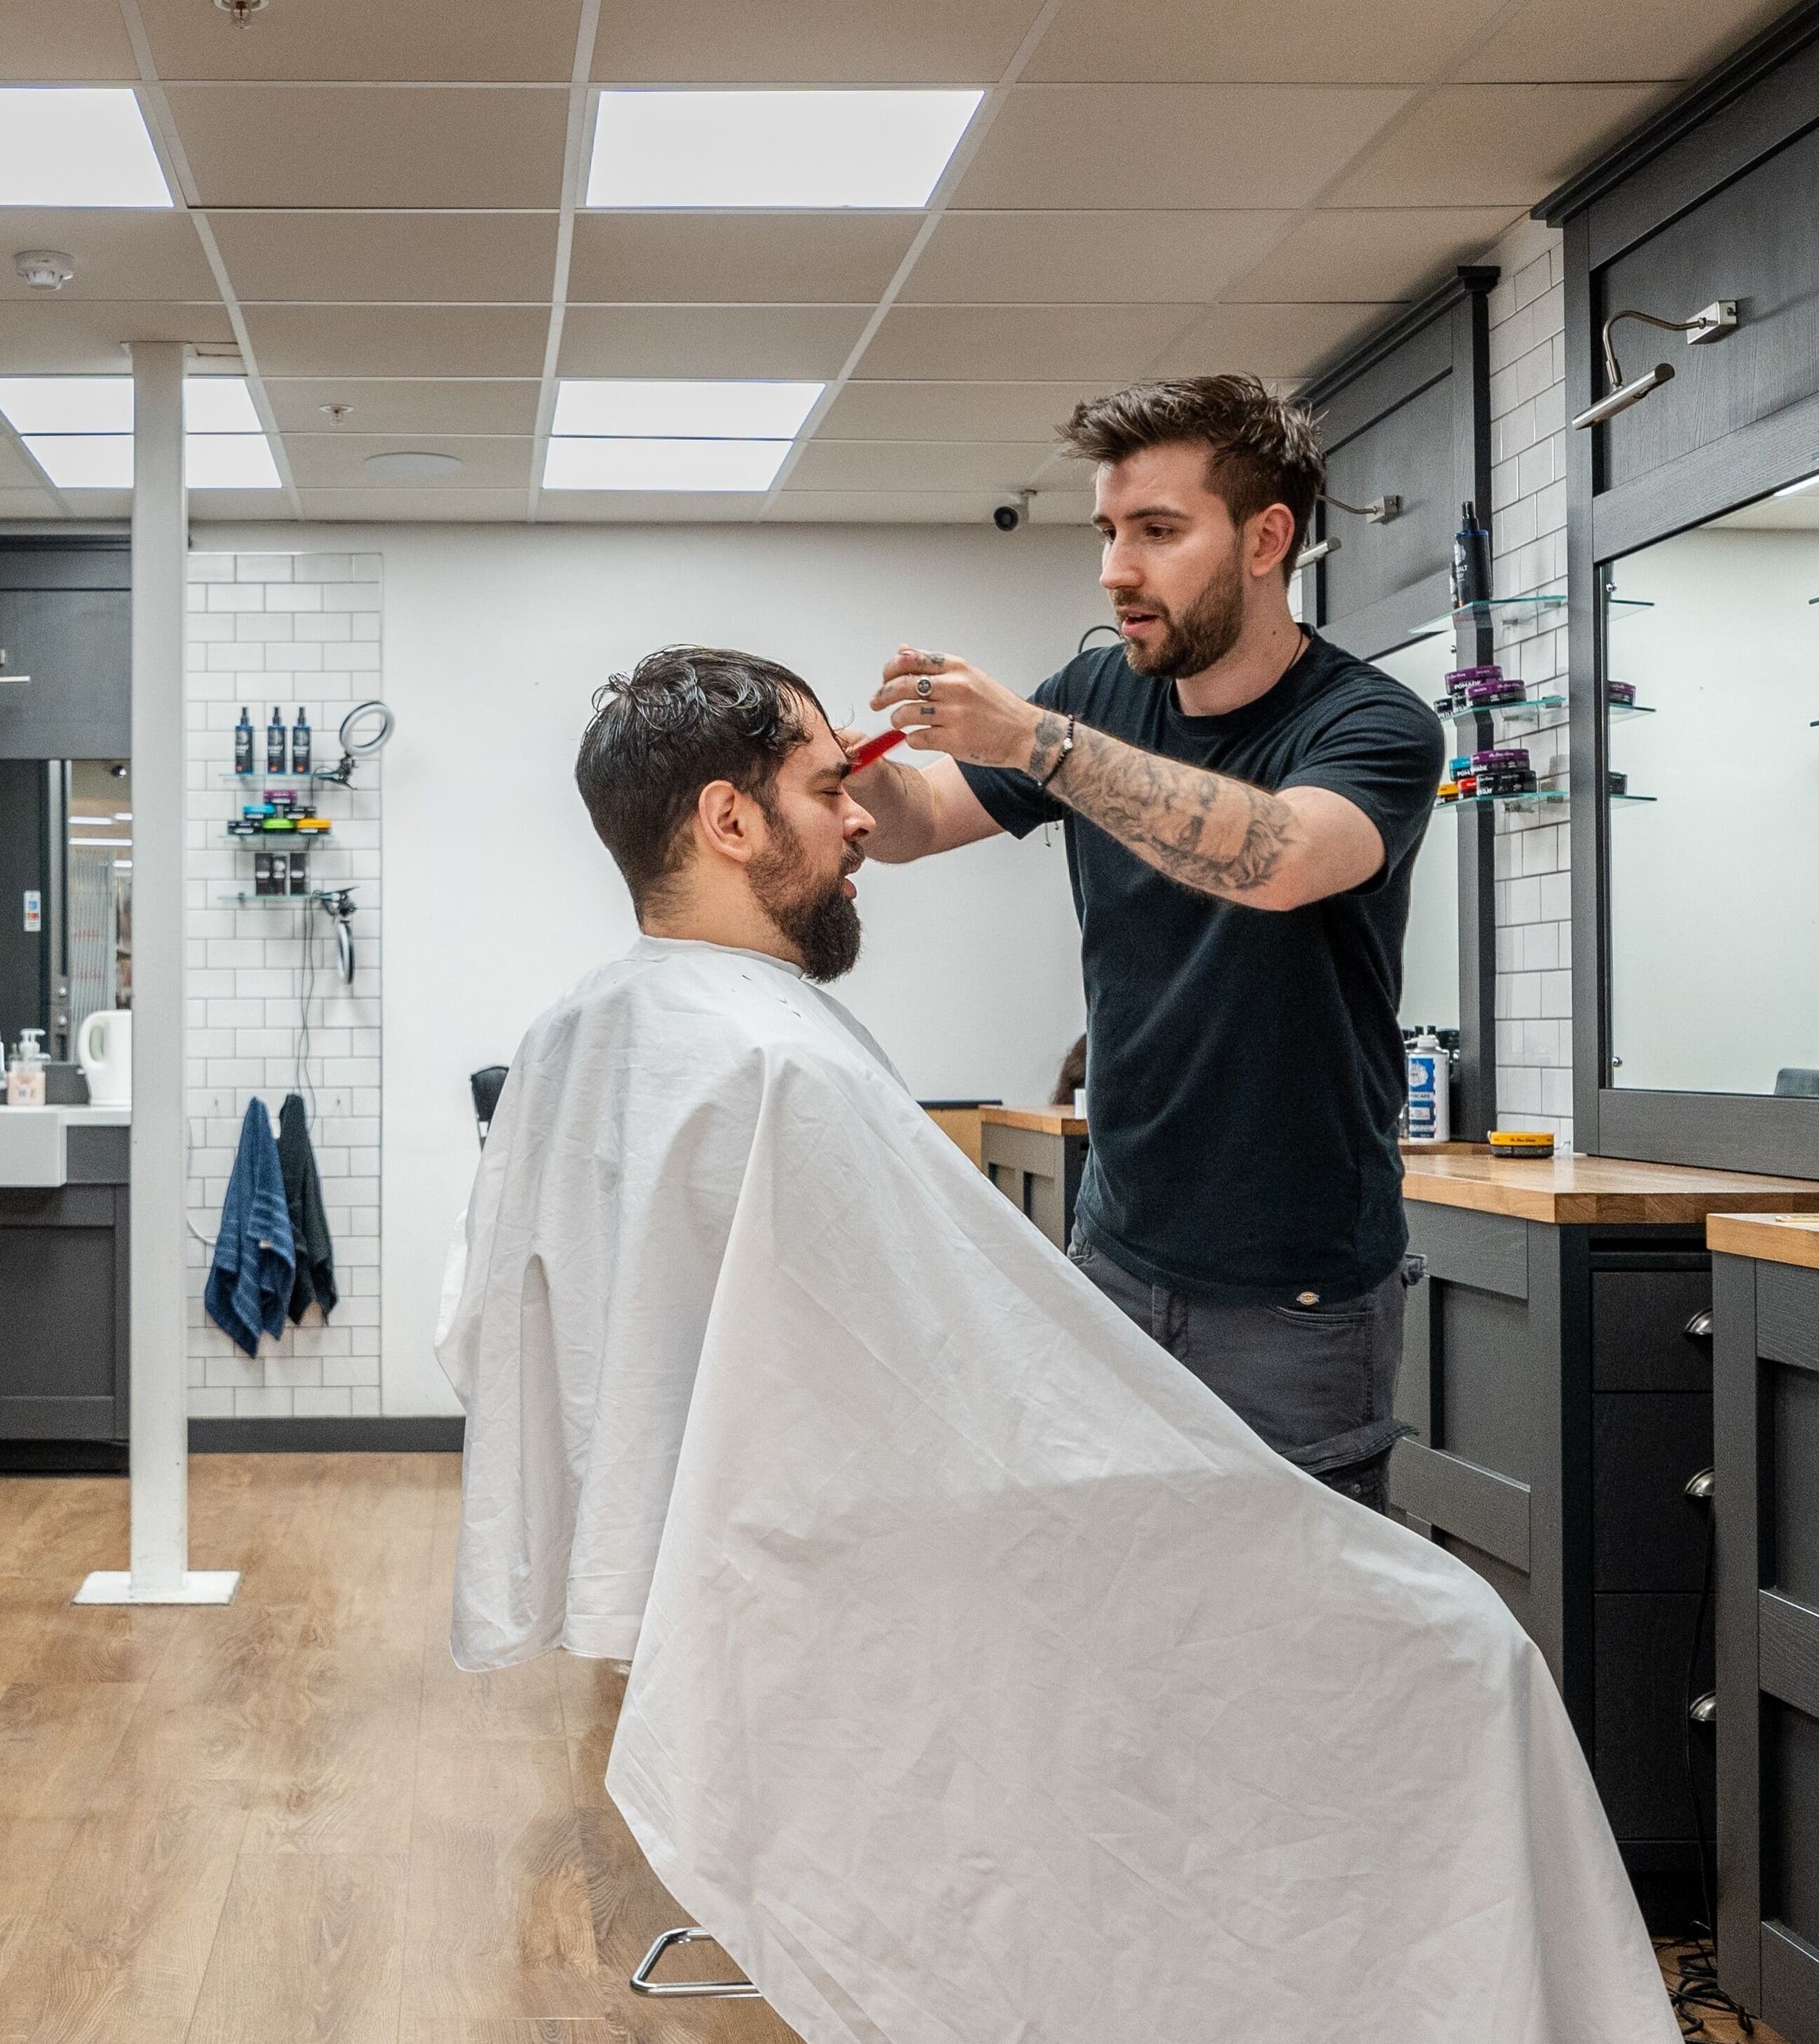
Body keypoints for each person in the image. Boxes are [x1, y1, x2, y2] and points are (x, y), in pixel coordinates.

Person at [435, 645, 1677, 2043]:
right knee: (1463, 1648)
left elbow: (490, 1331)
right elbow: (945, 1395)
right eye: (822, 789)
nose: (858, 822)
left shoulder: (592, 1030)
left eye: (1151, 528)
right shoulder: (780, 1060)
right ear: (730, 824)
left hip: (816, 1534)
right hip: (896, 1543)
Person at [848, 375, 1448, 1511]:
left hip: (1298, 1293)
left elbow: (1276, 858)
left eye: (1159, 531)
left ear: (1268, 537)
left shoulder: (1373, 724)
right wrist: (829, 779)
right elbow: (923, 821)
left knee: (1294, 1630)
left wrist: (1037, 739)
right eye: (1110, 532)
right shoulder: (1096, 694)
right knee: (1124, 1608)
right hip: (1118, 1249)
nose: (1117, 570)